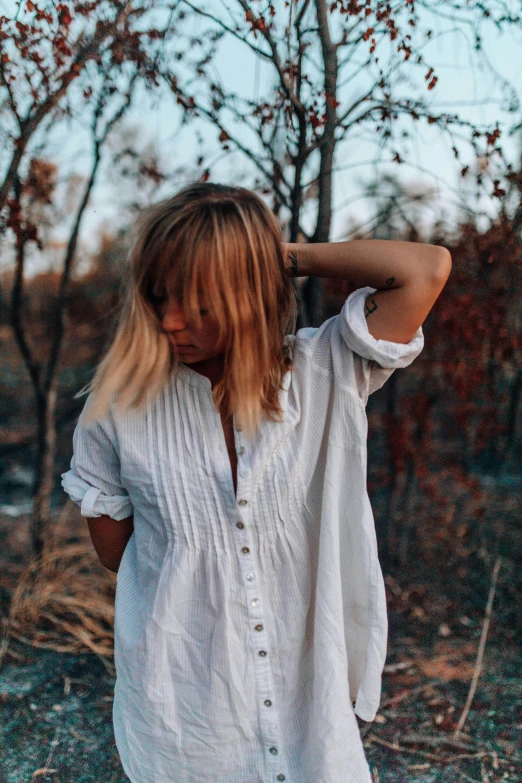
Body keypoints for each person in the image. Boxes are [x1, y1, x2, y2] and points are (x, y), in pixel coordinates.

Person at [61, 181, 451, 783]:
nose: (170, 321)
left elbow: (425, 270)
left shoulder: (325, 370)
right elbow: (123, 558)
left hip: (311, 711)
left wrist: (274, 254)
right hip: (190, 714)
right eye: (160, 295)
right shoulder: (114, 412)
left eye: (199, 300)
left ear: (250, 293)